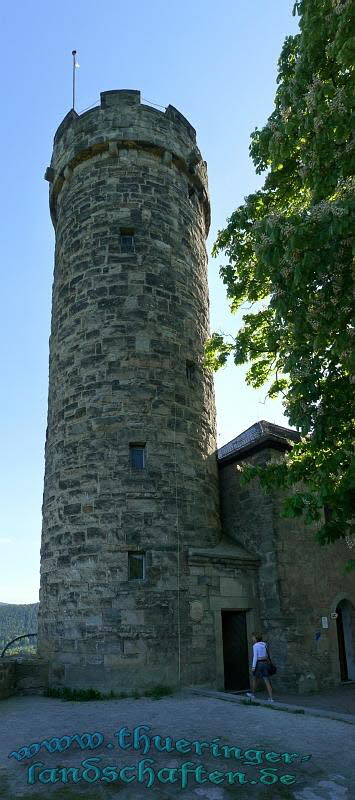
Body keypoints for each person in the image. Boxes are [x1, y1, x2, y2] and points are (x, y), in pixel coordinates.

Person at [246, 632, 274, 703]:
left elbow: (255, 657)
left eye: (253, 637)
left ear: (255, 638)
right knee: (267, 681)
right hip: (265, 663)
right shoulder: (264, 644)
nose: (252, 638)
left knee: (254, 679)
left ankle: (252, 694)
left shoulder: (255, 645)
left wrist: (253, 667)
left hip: (259, 663)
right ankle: (271, 698)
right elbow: (267, 655)